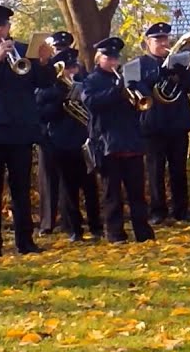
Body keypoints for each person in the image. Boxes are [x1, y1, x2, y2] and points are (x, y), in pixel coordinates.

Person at [0, 4, 55, 257]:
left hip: (21, 129)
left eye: (3, 25)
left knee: (21, 189)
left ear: (9, 26)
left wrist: (45, 63)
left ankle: (25, 242)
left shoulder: (25, 50)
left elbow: (44, 82)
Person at [80, 37, 155, 243]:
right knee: (112, 193)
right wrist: (116, 90)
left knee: (137, 192)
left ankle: (143, 231)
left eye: (115, 58)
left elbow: (145, 100)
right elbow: (91, 103)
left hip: (132, 141)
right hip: (107, 144)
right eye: (108, 58)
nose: (113, 62)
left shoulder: (128, 76)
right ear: (99, 58)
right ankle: (115, 233)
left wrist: (136, 87)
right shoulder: (91, 80)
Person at [136, 21, 190, 224]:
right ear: (148, 42)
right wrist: (157, 77)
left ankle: (181, 210)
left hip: (178, 122)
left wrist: (181, 75)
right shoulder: (140, 64)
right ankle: (158, 212)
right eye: (158, 39)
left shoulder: (179, 61)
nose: (163, 42)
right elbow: (135, 89)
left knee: (178, 169)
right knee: (155, 170)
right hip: (153, 125)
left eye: (165, 38)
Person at [35, 47, 103, 241]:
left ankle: (96, 227)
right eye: (68, 68)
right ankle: (75, 230)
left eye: (74, 67)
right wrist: (61, 99)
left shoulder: (85, 84)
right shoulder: (48, 88)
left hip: (83, 141)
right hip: (61, 142)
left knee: (90, 187)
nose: (72, 72)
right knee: (68, 189)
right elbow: (42, 114)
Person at [37, 30, 75, 235]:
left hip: (71, 134)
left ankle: (71, 222)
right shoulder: (45, 72)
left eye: (65, 48)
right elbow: (37, 100)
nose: (61, 51)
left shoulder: (77, 69)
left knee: (70, 181)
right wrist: (58, 94)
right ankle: (46, 223)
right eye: (58, 48)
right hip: (48, 134)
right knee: (48, 181)